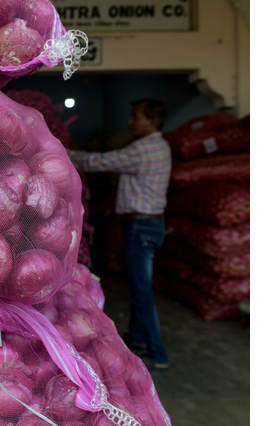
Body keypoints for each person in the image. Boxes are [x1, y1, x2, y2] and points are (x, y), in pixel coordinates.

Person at [66, 99, 172, 370]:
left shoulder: (145, 149)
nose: (130, 121)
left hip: (141, 227)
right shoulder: (161, 146)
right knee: (140, 286)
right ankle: (137, 338)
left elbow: (101, 162)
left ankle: (157, 353)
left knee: (141, 291)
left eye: (135, 116)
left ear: (151, 120)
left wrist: (62, 153)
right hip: (151, 225)